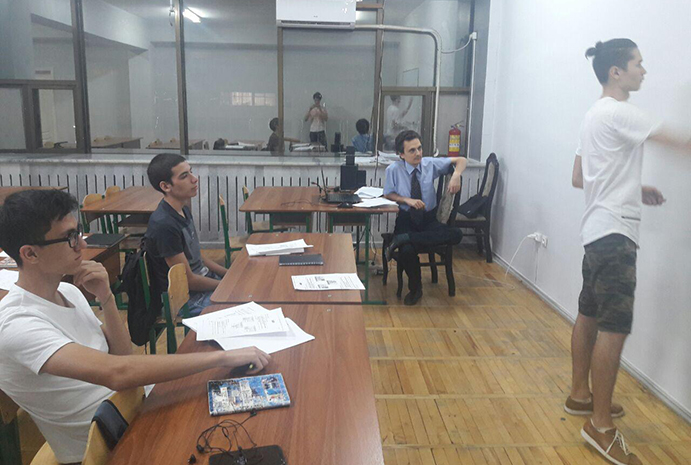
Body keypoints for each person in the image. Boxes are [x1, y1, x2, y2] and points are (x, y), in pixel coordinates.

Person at [0, 189, 271, 464]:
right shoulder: (17, 324)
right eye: (70, 238)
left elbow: (123, 355)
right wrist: (223, 357)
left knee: (254, 413)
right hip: (113, 445)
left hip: (140, 409)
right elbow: (117, 372)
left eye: (78, 233)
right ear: (30, 254)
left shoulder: (68, 292)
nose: (81, 244)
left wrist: (106, 297)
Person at [569, 39, 691, 465]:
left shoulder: (593, 116)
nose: (644, 70)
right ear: (616, 72)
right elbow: (680, 142)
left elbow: (580, 177)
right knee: (614, 328)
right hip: (616, 237)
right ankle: (600, 426)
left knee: (588, 313)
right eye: (638, 63)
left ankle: (580, 395)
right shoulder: (620, 111)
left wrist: (632, 188)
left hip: (595, 233)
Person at [383, 130, 466, 305]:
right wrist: (406, 200)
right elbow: (388, 194)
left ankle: (403, 239)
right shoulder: (393, 170)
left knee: (457, 234)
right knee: (407, 252)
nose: (418, 153)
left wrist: (456, 175)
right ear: (401, 154)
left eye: (419, 148)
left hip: (428, 219)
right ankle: (416, 289)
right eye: (412, 150)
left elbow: (461, 160)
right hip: (406, 219)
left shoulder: (429, 164)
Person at [145, 153, 228, 316]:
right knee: (244, 303)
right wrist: (228, 285)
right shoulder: (164, 225)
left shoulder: (182, 209)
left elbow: (198, 257)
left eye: (191, 171)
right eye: (184, 176)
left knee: (251, 290)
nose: (194, 179)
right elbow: (188, 281)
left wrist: (229, 275)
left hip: (201, 284)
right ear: (165, 186)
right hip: (185, 299)